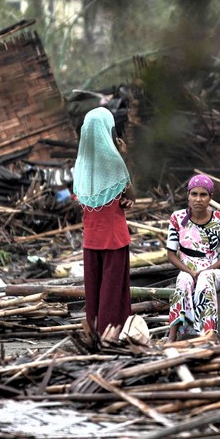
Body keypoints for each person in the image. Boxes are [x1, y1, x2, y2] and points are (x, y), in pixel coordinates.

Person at [72, 107, 135, 339]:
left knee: (95, 291)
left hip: (91, 240)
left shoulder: (81, 166)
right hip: (115, 239)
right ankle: (111, 337)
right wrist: (122, 156)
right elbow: (131, 194)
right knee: (112, 292)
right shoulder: (114, 162)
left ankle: (96, 333)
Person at [167, 174, 220, 341]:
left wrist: (207, 269)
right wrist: (189, 271)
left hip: (214, 271)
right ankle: (174, 335)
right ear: (188, 196)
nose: (198, 199)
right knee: (183, 279)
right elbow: (170, 254)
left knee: (205, 278)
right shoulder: (178, 218)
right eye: (194, 194)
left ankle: (208, 334)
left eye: (203, 195)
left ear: (210, 197)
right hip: (187, 269)